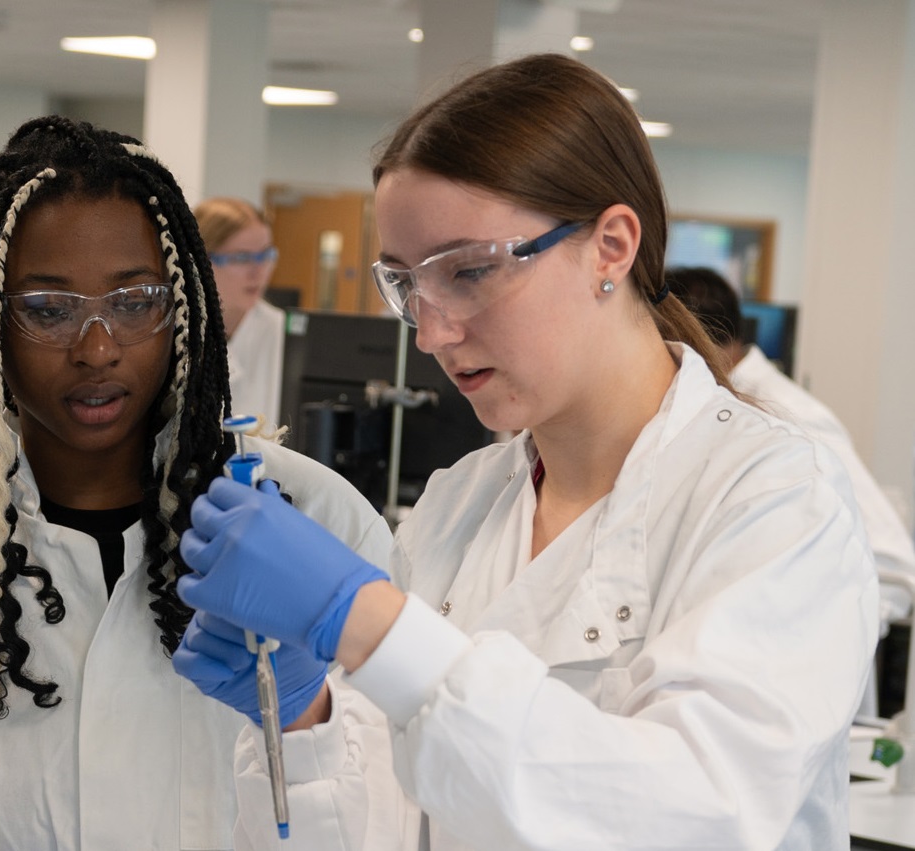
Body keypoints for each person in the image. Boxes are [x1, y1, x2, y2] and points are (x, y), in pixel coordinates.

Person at [171, 53, 879, 849]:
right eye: (407, 285)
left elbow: (695, 817)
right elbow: (402, 820)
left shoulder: (776, 497)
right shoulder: (460, 501)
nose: (433, 333)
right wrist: (308, 715)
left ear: (611, 246)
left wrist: (371, 625)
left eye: (470, 271)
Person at [0, 117, 393, 850]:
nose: (97, 349)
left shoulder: (320, 523)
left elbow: (401, 811)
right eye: (48, 310)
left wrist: (312, 717)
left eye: (134, 301)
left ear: (180, 309)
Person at [668, 265, 915, 707]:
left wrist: (818, 638)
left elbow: (895, 566)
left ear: (695, 338)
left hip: (799, 691)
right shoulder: (708, 407)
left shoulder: (789, 417)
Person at [194, 197, 285, 426]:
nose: (259, 272)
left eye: (265, 256)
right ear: (201, 261)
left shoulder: (282, 332)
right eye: (242, 258)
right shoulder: (174, 332)